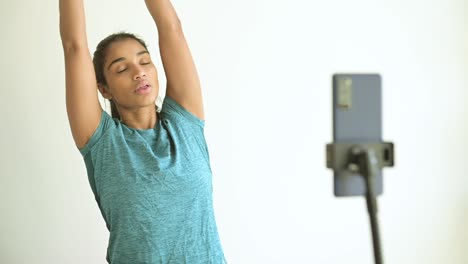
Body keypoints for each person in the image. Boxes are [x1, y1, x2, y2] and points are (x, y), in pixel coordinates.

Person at [59, 0, 226, 263]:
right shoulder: (103, 142)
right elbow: (74, 47)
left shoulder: (186, 123)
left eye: (145, 62)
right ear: (104, 89)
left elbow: (172, 27)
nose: (139, 72)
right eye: (122, 69)